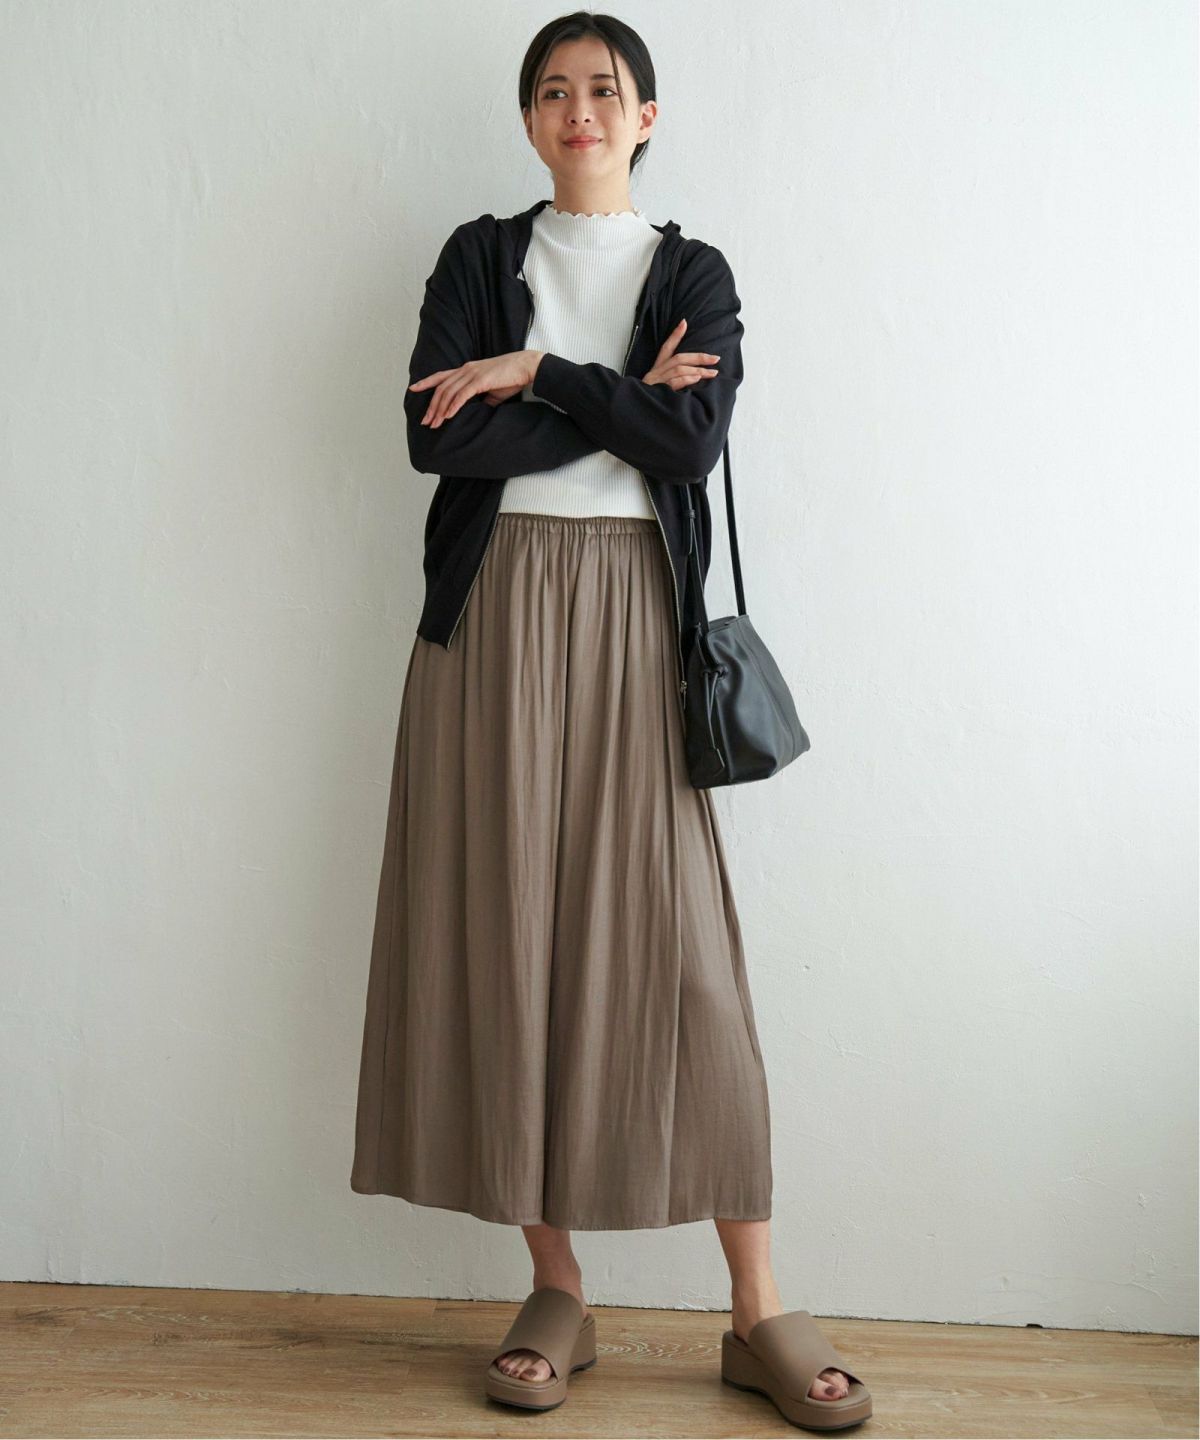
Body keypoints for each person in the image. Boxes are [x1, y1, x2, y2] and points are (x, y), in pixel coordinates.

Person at [350, 11, 871, 1428]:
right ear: (529, 118)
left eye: (604, 88)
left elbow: (688, 445)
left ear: (647, 116)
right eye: (553, 90)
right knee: (505, 932)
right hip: (488, 618)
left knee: (683, 954)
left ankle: (756, 1308)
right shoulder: (478, 259)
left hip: (642, 616)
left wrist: (538, 374)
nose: (578, 109)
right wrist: (620, 401)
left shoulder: (691, 272)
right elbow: (435, 437)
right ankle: (558, 1286)